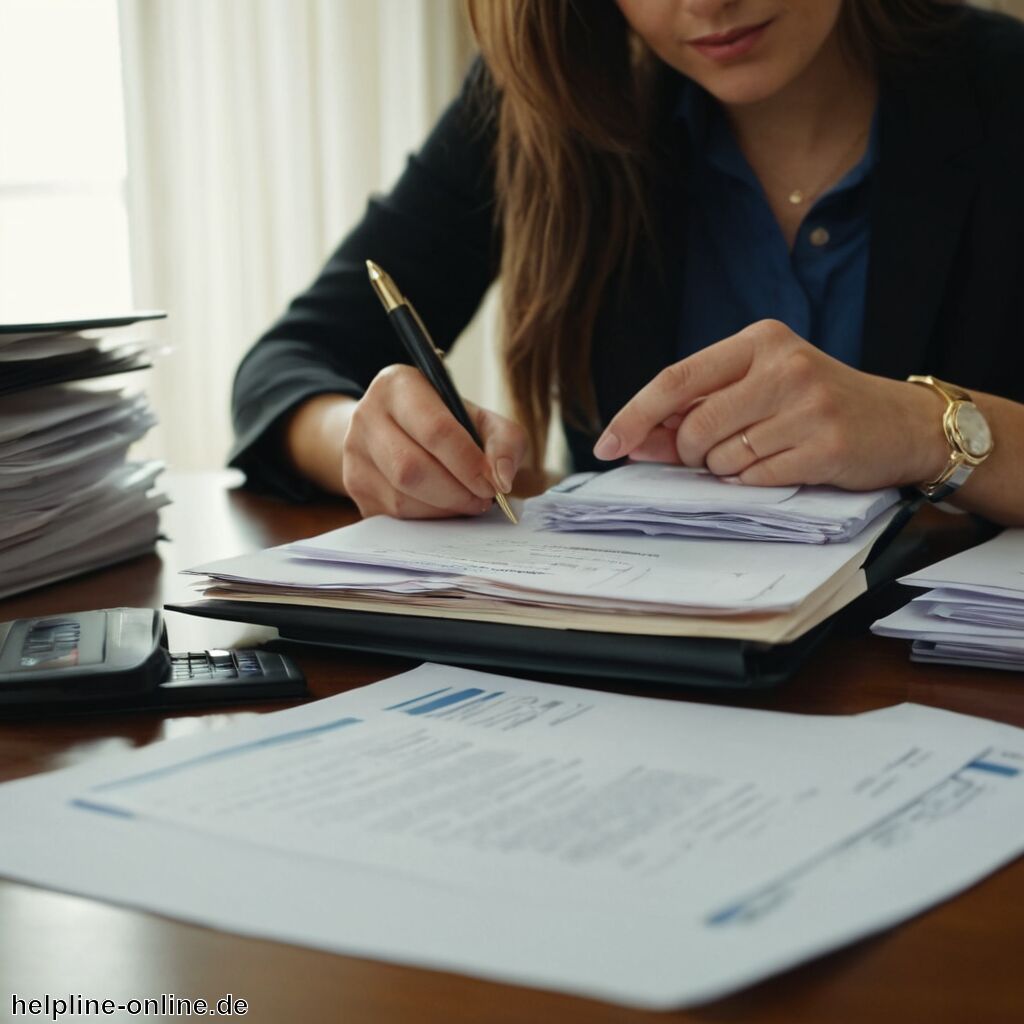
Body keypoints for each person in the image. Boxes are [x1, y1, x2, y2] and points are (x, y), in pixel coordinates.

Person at [230, 0, 1024, 526]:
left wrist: (929, 429)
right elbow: (286, 367)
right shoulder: (544, 108)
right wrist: (370, 440)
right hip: (635, 693)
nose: (706, 2)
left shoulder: (1001, 86)